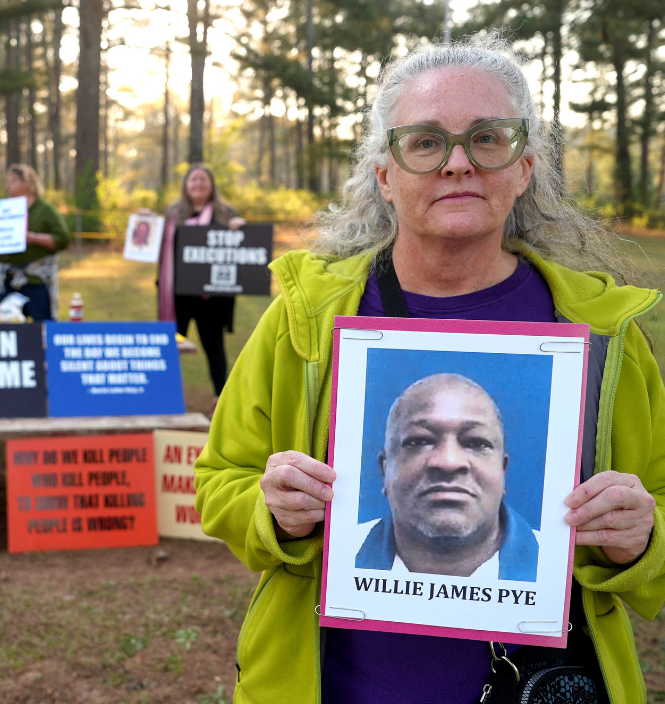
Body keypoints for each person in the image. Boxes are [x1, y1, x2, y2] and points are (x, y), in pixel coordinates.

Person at [194, 36, 663, 704]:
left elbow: (662, 504)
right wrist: (270, 510)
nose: (457, 164)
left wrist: (642, 535)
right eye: (425, 142)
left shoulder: (601, 335)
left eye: (487, 138)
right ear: (385, 174)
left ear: (524, 166)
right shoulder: (307, 322)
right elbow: (219, 480)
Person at [355, 373, 538, 582]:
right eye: (419, 441)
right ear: (385, 471)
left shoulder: (563, 569)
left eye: (476, 442)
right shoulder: (332, 555)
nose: (448, 462)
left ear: (503, 471)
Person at [153, 164, 245, 401]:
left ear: (212, 185)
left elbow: (241, 248)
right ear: (186, 185)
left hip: (211, 298)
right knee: (171, 347)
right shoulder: (173, 213)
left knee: (214, 347)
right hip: (176, 296)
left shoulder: (225, 213)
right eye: (193, 180)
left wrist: (239, 227)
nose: (198, 184)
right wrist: (147, 221)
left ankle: (220, 399)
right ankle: (164, 396)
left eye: (203, 180)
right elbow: (155, 242)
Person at [0, 163, 70, 321]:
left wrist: (33, 238)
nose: (7, 186)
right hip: (6, 280)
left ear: (27, 182)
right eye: (6, 182)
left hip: (36, 281)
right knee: (6, 327)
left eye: (12, 181)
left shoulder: (45, 209)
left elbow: (63, 239)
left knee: (41, 327)